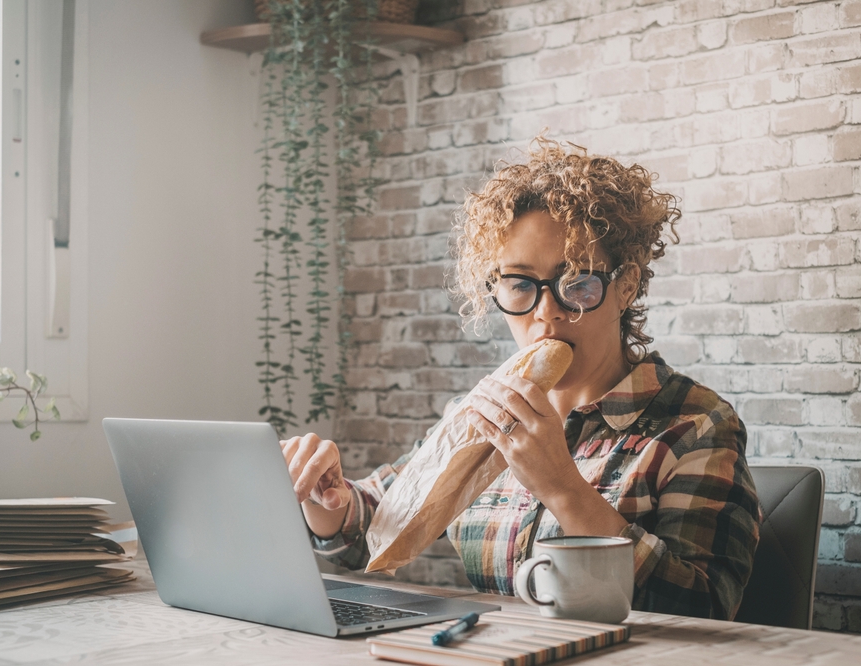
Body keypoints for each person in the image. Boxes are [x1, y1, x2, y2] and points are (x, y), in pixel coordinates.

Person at [280, 137, 761, 620]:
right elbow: (378, 529)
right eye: (520, 285)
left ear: (626, 284)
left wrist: (562, 487)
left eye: (576, 282)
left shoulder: (696, 425)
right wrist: (328, 498)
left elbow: (706, 607)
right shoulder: (484, 414)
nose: (546, 312)